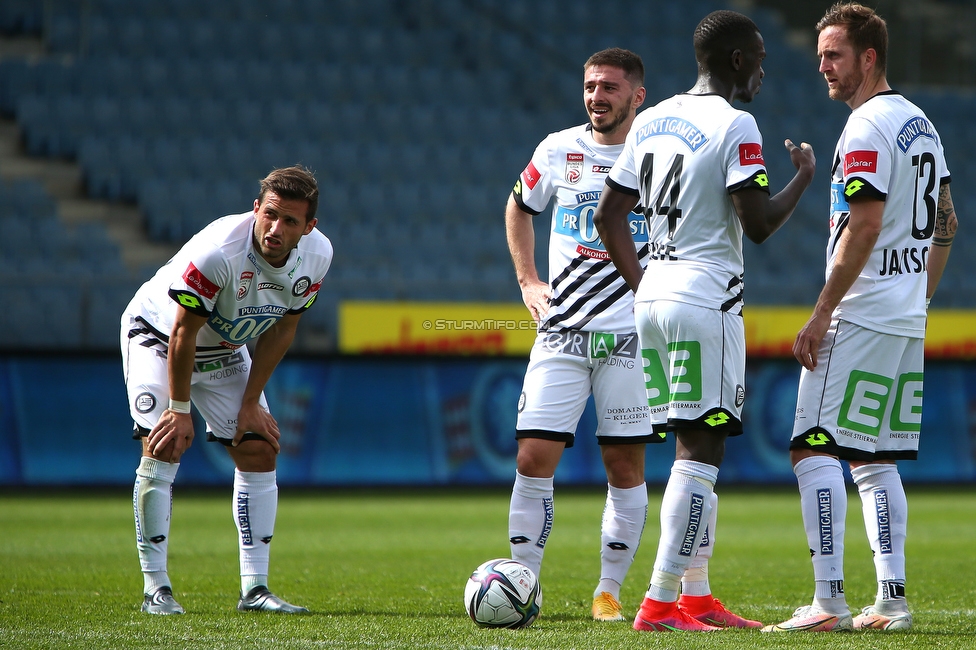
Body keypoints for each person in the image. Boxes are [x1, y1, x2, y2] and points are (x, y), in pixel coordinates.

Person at [506, 47, 757, 628]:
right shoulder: (557, 149)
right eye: (591, 86)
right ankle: (524, 582)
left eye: (610, 88)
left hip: (630, 335)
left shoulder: (657, 146)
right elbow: (519, 207)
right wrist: (527, 280)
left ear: (637, 96)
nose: (597, 97)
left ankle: (608, 591)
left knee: (625, 465)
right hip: (563, 330)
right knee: (531, 456)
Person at [593, 11, 816, 632]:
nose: (765, 69)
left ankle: (696, 596)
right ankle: (660, 603)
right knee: (702, 449)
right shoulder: (737, 123)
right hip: (707, 295)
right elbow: (759, 224)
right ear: (738, 60)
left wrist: (647, 286)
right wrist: (802, 178)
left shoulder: (653, 118)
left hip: (656, 296)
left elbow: (609, 217)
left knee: (688, 447)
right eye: (760, 56)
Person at [761, 3, 956, 633]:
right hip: (903, 316)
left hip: (862, 312)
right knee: (873, 458)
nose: (822, 65)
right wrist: (919, 299)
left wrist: (822, 314)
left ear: (868, 57)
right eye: (819, 54)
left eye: (834, 54)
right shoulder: (920, 124)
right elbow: (948, 223)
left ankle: (828, 602)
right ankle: (892, 602)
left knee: (810, 446)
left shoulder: (868, 126)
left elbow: (865, 225)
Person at [121, 165, 333, 615]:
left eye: (290, 221)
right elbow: (183, 332)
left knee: (259, 449)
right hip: (158, 336)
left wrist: (253, 400)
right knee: (161, 447)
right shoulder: (220, 250)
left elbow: (282, 329)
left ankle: (255, 591)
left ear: (308, 227)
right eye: (269, 214)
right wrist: (179, 409)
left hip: (224, 347)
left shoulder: (318, 256)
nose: (275, 229)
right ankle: (155, 589)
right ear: (256, 207)